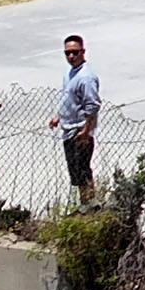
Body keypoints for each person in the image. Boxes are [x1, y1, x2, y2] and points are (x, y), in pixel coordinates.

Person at [50, 35, 97, 201]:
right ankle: (85, 202)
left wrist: (86, 130)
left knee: (82, 170)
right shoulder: (71, 72)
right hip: (68, 128)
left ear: (83, 52)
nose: (71, 56)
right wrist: (59, 116)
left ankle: (89, 203)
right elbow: (69, 98)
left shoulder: (86, 77)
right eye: (67, 53)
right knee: (75, 172)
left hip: (79, 131)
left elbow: (92, 105)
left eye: (75, 52)